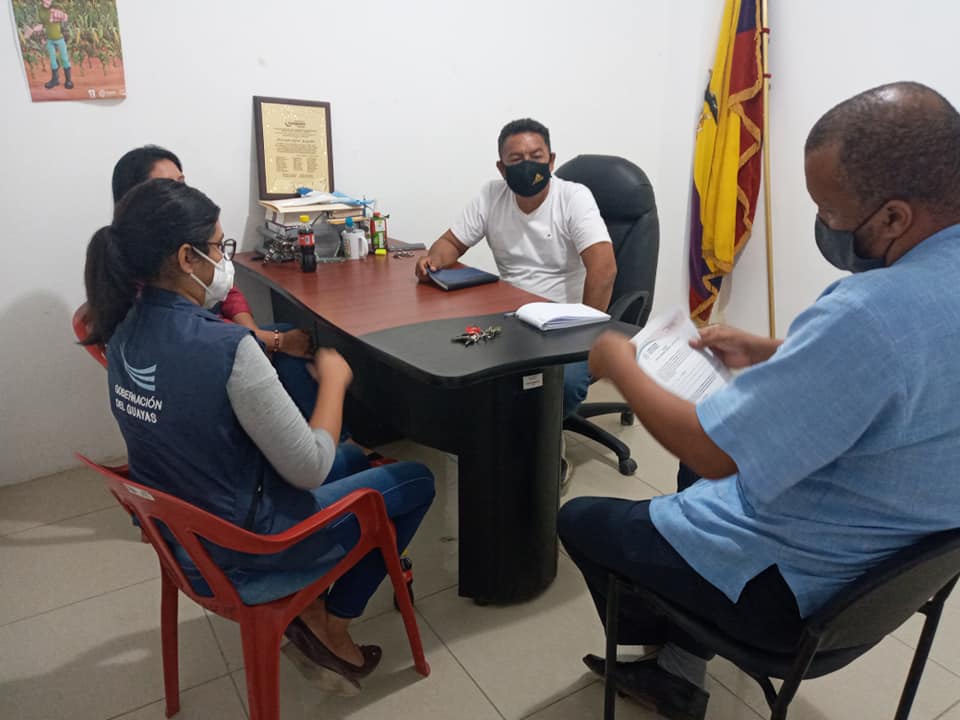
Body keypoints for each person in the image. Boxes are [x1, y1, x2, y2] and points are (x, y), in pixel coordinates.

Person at [559, 81, 960, 720]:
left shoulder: (868, 310)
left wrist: (618, 363)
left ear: (893, 218)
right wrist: (776, 350)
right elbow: (912, 362)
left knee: (583, 519)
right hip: (898, 572)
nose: (823, 226)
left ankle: (671, 649)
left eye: (829, 211)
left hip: (799, 595)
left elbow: (713, 452)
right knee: (690, 478)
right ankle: (681, 661)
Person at [82, 178, 436, 692]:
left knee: (356, 459)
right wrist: (333, 383)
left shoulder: (117, 329)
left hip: (184, 537)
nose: (224, 259)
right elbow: (310, 466)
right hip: (250, 549)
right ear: (185, 257)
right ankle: (332, 621)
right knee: (415, 480)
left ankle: (313, 604)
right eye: (217, 247)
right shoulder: (228, 348)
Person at [415, 118, 617, 489]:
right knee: (455, 357)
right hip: (511, 317)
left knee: (562, 384)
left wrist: (588, 337)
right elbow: (451, 243)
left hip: (565, 324)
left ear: (551, 160)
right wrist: (433, 261)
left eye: (536, 157)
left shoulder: (573, 198)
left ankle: (545, 449)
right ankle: (498, 440)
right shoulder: (492, 195)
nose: (527, 166)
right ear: (501, 167)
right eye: (516, 159)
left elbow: (603, 270)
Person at [111, 145, 318, 416]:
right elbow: (190, 333)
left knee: (288, 338)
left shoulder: (184, 238)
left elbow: (224, 288)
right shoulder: (144, 268)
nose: (182, 193)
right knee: (296, 350)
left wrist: (254, 333)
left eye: (182, 183)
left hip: (213, 341)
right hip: (194, 363)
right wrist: (265, 341)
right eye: (168, 186)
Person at [23, 0, 73, 90]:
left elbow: (65, 18)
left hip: (60, 39)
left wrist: (58, 15)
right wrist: (33, 30)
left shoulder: (56, 7)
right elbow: (43, 25)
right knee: (53, 61)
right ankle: (55, 80)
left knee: (64, 59)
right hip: (50, 40)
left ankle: (68, 80)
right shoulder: (41, 11)